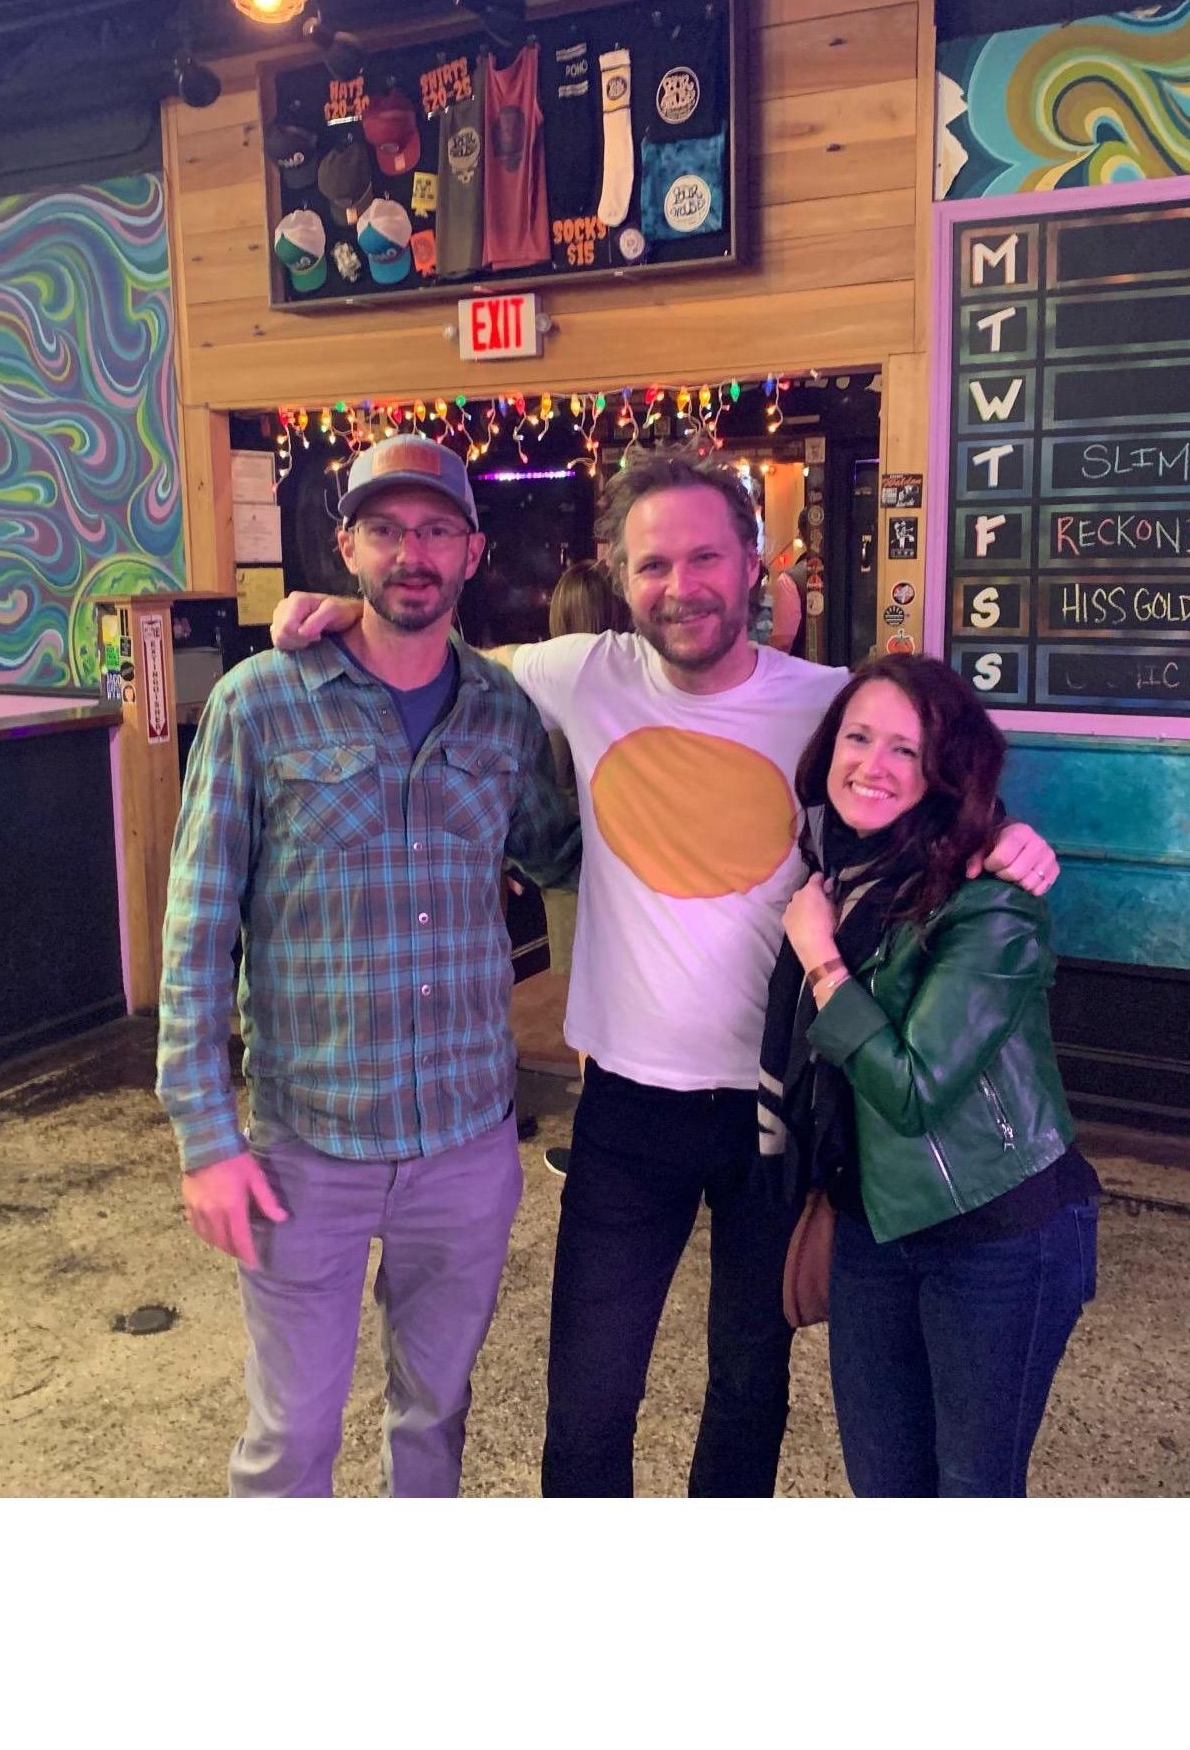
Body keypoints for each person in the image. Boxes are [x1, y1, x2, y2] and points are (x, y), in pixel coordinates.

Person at [271, 443, 1058, 1497]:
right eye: (652, 566)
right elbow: (426, 652)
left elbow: (935, 773)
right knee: (589, 1398)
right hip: (627, 1106)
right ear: (617, 574)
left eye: (703, 559)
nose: (679, 587)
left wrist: (1007, 841)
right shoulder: (578, 673)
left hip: (778, 1106)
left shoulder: (829, 703)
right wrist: (330, 611)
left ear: (751, 564)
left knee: (747, 1389)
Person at [157, 433, 578, 1497]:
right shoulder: (261, 703)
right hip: (311, 1147)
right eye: (386, 529)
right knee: (292, 1440)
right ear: (345, 546)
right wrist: (206, 1134)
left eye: (437, 529)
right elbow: (198, 929)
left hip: (467, 1142)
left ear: (474, 552)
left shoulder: (501, 710)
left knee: (435, 1418)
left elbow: (562, 848)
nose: (412, 553)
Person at [765, 654, 1099, 1496]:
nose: (872, 766)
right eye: (858, 736)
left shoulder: (990, 899)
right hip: (872, 1220)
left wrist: (820, 961)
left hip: (996, 1236)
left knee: (971, 1491)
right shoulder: (833, 871)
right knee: (885, 1486)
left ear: (946, 771)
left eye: (906, 751)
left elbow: (914, 1091)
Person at [539, 561, 631, 1180]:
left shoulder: (552, 686)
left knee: (588, 1010)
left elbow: (537, 797)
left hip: (571, 870)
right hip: (633, 871)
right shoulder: (635, 683)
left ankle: (597, 1142)